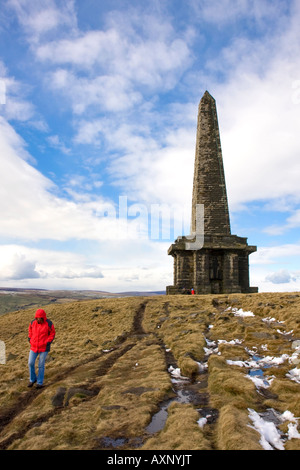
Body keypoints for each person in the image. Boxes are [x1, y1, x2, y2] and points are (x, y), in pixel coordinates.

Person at [28, 308, 56, 389]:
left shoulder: (49, 323)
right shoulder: (33, 322)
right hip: (34, 346)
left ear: (43, 317)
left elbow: (52, 333)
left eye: (40, 318)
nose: (38, 320)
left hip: (44, 347)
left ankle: (39, 382)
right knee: (30, 363)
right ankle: (32, 379)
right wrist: (30, 338)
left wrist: (48, 341)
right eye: (37, 318)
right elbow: (30, 330)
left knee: (41, 365)